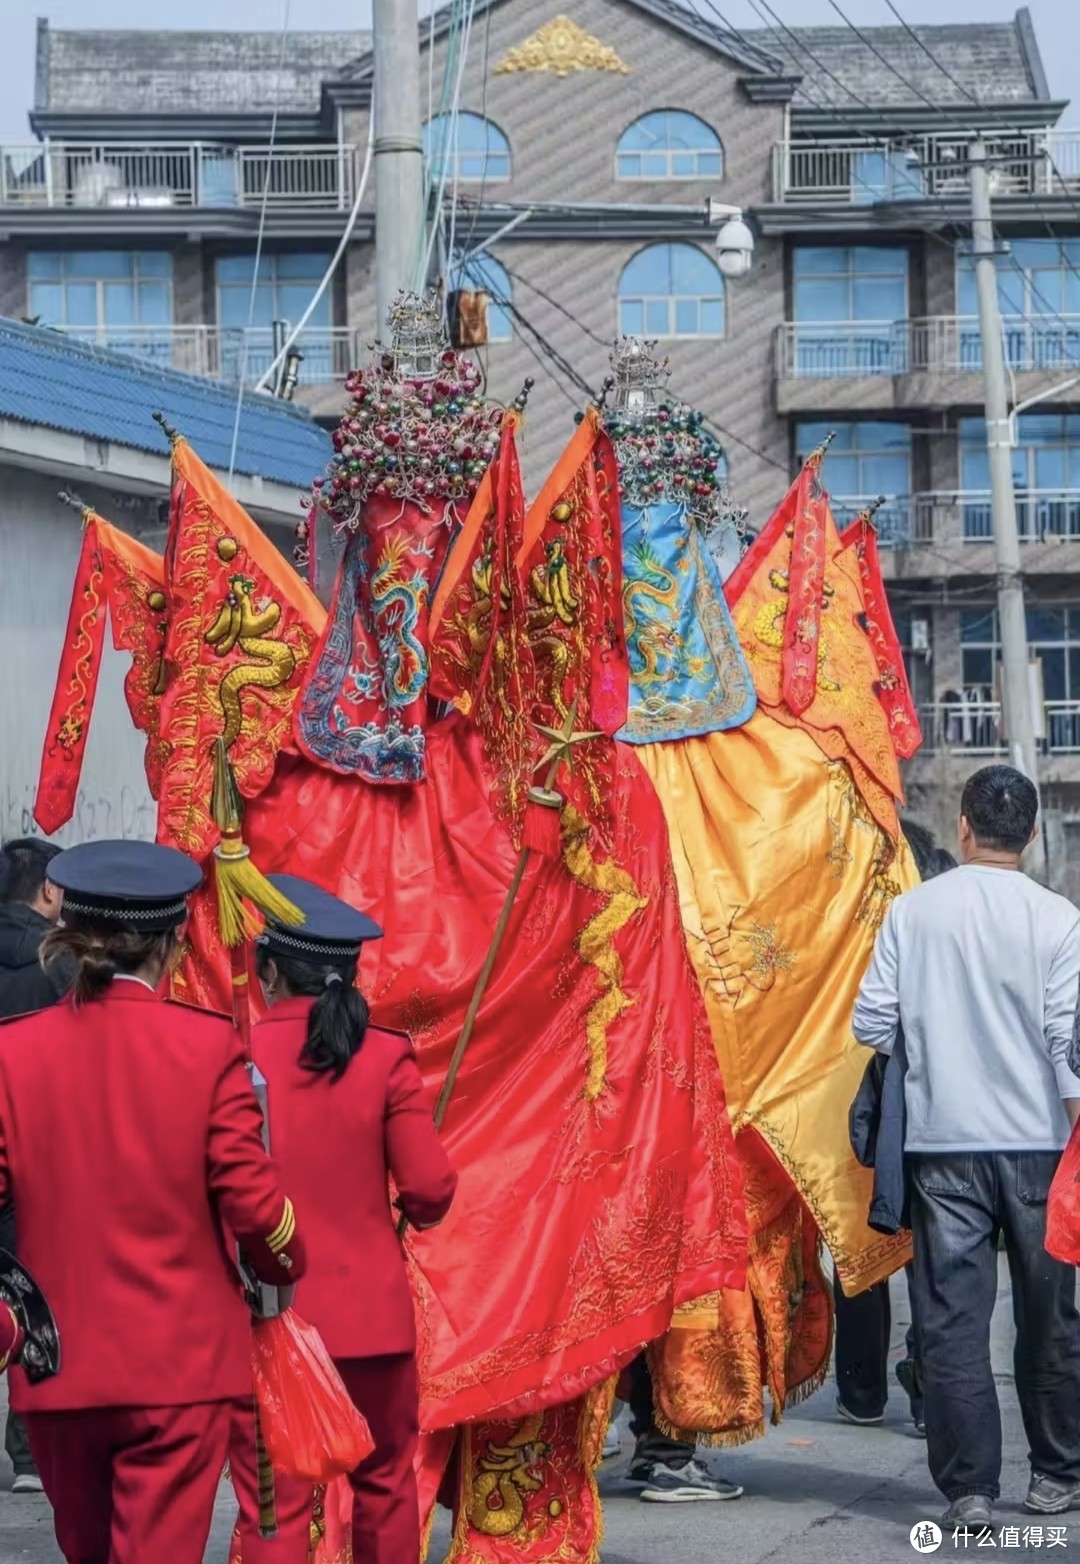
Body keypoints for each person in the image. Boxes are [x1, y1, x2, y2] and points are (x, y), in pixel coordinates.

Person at [0, 840, 306, 1564]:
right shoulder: (206, 1046)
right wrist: (284, 1264)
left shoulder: (13, 1051)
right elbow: (256, 1208)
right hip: (179, 1365)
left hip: (56, 1365)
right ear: (172, 947)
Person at [853, 765, 1080, 1530]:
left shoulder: (912, 914)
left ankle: (969, 1489)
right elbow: (1066, 1040)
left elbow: (871, 1024)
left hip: (942, 1145)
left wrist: (936, 1037)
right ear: (1034, 832)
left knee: (952, 1320)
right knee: (1050, 1317)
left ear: (963, 827)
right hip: (1041, 1146)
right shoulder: (1059, 919)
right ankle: (1055, 1475)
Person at [230, 874, 457, 1564]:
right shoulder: (386, 1055)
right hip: (372, 1320)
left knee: (277, 1502)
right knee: (386, 1485)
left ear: (268, 969)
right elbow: (430, 1190)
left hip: (268, 1315)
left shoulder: (235, 1055)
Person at [834, 820, 956, 1437]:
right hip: (931, 1098)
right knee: (934, 1253)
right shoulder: (939, 895)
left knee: (861, 1239)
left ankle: (863, 1387)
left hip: (863, 1091)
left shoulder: (851, 907)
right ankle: (925, 1378)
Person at [0, 836, 68, 1494]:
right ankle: (25, 1450)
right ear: (47, 890)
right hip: (35, 1150)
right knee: (31, 1291)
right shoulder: (61, 962)